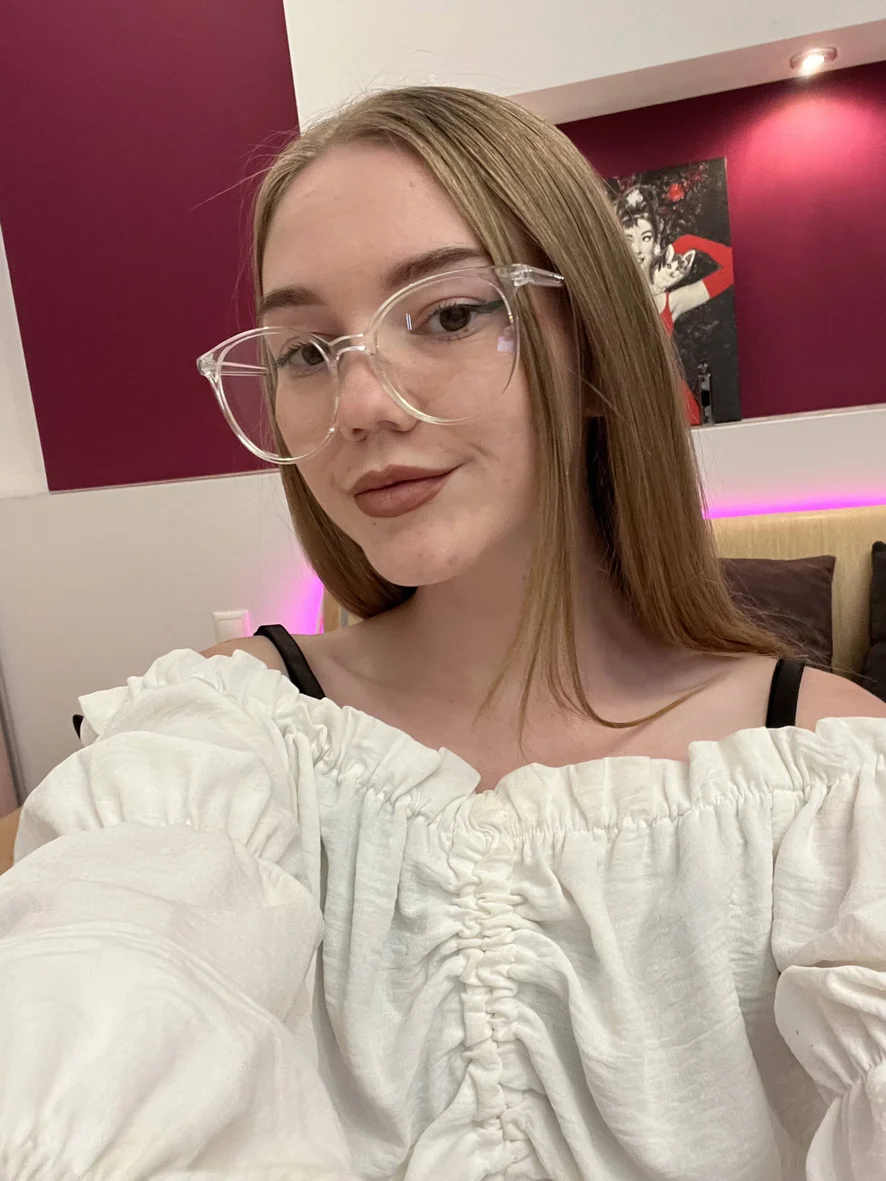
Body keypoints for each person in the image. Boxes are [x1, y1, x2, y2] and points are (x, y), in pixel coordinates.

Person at [2, 86, 885, 1181]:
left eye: (449, 315)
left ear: (595, 351)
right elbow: (103, 975)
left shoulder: (828, 769)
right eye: (306, 351)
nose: (359, 405)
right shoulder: (232, 734)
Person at [617, 185, 734, 425]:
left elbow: (731, 268)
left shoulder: (670, 302)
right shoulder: (610, 302)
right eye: (628, 239)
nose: (637, 249)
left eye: (645, 238)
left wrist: (689, 242)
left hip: (680, 413)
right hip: (635, 416)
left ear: (657, 244)